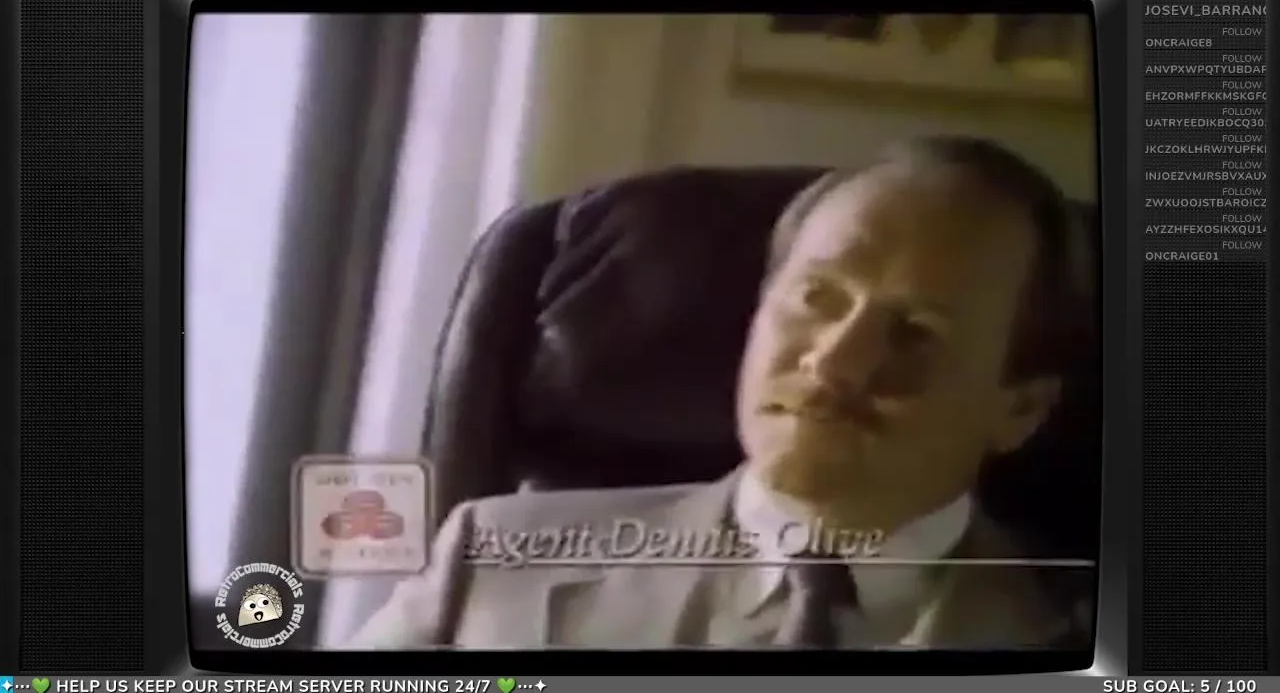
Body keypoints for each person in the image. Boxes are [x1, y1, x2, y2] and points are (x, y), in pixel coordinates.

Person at [340, 136, 1094, 650]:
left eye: (918, 331)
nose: (837, 363)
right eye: (817, 297)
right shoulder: (491, 562)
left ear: (1020, 407)